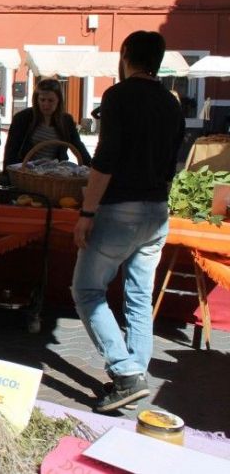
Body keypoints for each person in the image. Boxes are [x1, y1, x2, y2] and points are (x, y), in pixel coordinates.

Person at [71, 31, 184, 413]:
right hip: (157, 209)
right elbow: (173, 162)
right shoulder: (171, 103)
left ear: (125, 56)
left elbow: (105, 159)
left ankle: (125, 373)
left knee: (87, 290)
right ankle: (135, 372)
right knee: (139, 297)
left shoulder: (118, 96)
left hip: (120, 209)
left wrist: (87, 212)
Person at [4, 78, 92, 167]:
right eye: (42, 100)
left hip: (54, 174)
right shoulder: (22, 118)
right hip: (26, 172)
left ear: (59, 100)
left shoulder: (66, 120)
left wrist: (91, 168)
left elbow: (78, 146)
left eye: (51, 100)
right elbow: (11, 150)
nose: (46, 105)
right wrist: (9, 173)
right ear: (36, 100)